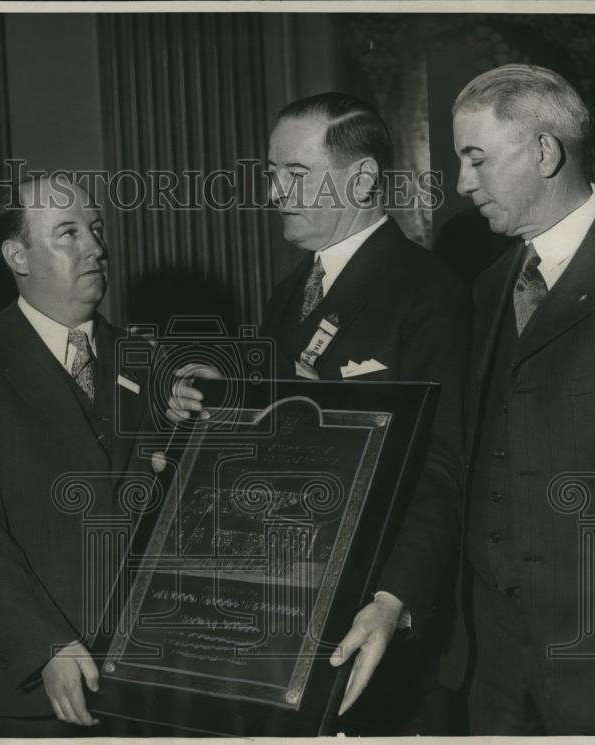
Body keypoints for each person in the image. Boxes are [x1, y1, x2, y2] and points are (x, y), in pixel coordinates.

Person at [169, 93, 470, 733]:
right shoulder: (290, 292)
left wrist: (395, 599)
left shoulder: (428, 291)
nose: (275, 194)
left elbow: (443, 464)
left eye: (295, 175)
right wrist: (220, 402)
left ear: (362, 179)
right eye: (272, 174)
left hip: (372, 614)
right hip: (287, 607)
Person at [448, 63, 595, 735]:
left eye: (476, 158)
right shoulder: (491, 284)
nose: (463, 183)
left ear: (545, 152)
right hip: (493, 663)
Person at [0, 176, 149, 737]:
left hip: (152, 675)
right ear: (17, 255)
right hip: (36, 687)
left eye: (96, 229)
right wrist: (44, 644)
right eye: (68, 233)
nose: (96, 247)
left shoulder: (149, 361)